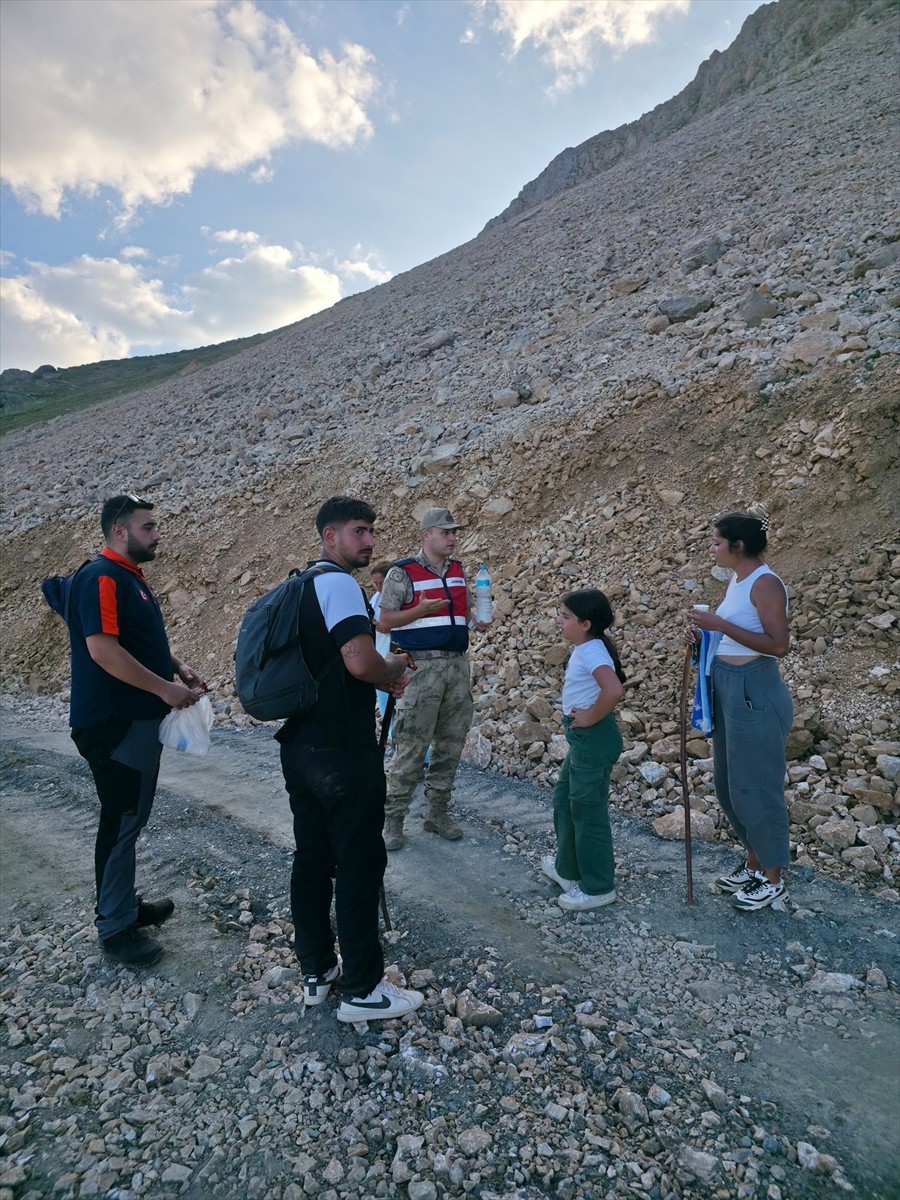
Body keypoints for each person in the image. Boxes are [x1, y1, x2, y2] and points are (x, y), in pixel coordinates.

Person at [275, 496, 424, 1022]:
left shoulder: (300, 585)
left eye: (371, 532)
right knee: (360, 863)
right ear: (329, 536)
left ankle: (317, 972)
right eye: (359, 531)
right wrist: (392, 668)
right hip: (341, 749)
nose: (369, 541)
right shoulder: (338, 583)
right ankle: (364, 989)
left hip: (301, 745)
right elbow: (359, 662)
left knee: (312, 859)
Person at [68, 494, 207, 966]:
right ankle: (114, 927)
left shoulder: (128, 578)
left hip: (134, 719)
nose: (157, 534)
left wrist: (180, 667)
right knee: (122, 819)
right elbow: (103, 651)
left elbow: (140, 641)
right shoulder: (102, 577)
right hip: (114, 722)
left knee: (132, 816)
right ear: (120, 531)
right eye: (148, 527)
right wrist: (166, 690)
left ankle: (123, 905)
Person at [686, 505, 792, 911]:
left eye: (716, 542)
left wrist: (719, 625)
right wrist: (701, 636)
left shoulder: (765, 584)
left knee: (757, 786)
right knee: (730, 785)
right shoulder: (738, 579)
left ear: (739, 545)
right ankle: (754, 863)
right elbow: (732, 634)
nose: (711, 549)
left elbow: (778, 644)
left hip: (755, 688)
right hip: (728, 685)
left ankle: (773, 877)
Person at [377, 507, 488, 850]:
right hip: (420, 668)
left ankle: (437, 813)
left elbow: (464, 612)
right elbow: (384, 622)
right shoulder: (402, 572)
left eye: (454, 532)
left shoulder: (457, 570)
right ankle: (393, 820)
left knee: (451, 743)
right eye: (446, 532)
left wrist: (476, 622)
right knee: (411, 743)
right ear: (427, 535)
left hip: (457, 666)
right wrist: (419, 611)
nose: (453, 537)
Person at [541, 590, 626, 911]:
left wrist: (590, 715)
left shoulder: (592, 652)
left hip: (594, 738)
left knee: (587, 810)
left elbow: (613, 689)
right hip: (583, 740)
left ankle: (598, 885)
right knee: (565, 799)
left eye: (565, 618)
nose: (559, 623)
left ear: (586, 623)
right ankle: (569, 869)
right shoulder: (588, 647)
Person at [369, 560, 393, 734]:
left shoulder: (401, 596)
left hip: (399, 654)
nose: (378, 587)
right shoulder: (376, 598)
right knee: (385, 704)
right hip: (380, 655)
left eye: (381, 583)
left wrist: (387, 627)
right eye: (375, 583)